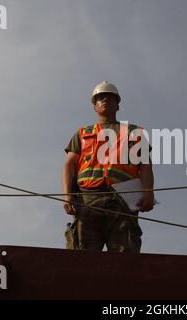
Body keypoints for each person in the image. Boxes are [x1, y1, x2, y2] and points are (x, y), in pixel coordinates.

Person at [62, 81, 154, 253]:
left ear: (117, 104)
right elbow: (69, 165)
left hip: (122, 201)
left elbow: (146, 166)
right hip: (88, 200)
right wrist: (67, 195)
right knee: (83, 255)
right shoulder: (82, 134)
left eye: (109, 97)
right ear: (94, 106)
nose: (104, 100)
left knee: (124, 255)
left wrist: (149, 193)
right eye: (100, 98)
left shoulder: (135, 133)